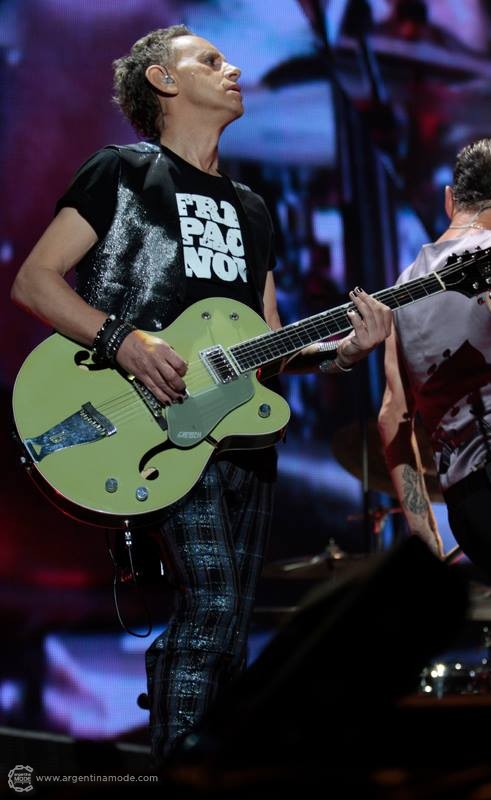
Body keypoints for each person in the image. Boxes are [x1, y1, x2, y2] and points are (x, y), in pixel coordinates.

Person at [10, 25, 392, 764]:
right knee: (212, 607)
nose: (233, 68)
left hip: (239, 435)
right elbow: (34, 281)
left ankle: (205, 760)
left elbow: (269, 344)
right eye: (210, 61)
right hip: (148, 424)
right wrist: (124, 339)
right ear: (163, 80)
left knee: (228, 628)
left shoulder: (253, 208)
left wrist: (341, 354)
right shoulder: (121, 172)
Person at [377, 136, 491, 689]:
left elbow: (393, 416)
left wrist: (423, 531)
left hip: (471, 509)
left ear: (450, 200)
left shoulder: (402, 290)